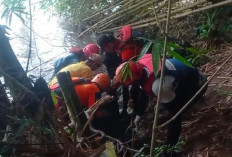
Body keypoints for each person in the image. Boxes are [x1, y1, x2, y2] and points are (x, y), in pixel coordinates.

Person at [115, 54, 208, 156]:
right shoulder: (143, 62)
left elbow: (174, 116)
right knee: (162, 104)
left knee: (171, 112)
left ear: (136, 79)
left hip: (198, 84)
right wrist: (139, 115)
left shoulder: (159, 86)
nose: (130, 85)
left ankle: (171, 147)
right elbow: (143, 92)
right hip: (186, 72)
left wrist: (169, 145)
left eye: (131, 83)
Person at [50, 73, 124, 139]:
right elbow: (91, 113)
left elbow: (68, 81)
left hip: (52, 91)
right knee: (67, 127)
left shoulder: (84, 81)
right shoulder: (95, 91)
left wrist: (81, 79)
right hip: (59, 103)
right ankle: (66, 135)